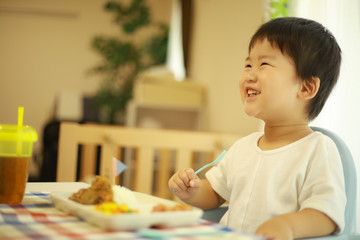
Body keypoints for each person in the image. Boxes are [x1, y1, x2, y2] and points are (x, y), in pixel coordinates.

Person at [168, 17, 346, 240]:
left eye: (264, 65)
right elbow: (214, 194)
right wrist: (192, 191)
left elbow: (326, 214)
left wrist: (289, 226)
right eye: (248, 64)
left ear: (306, 87)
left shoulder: (318, 150)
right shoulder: (243, 146)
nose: (250, 74)